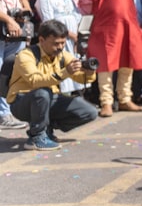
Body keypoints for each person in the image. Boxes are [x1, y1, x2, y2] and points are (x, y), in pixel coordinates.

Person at [6, 20, 97, 150]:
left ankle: (47, 127)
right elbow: (35, 81)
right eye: (55, 44)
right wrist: (65, 72)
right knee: (42, 92)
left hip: (48, 99)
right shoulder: (26, 55)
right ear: (42, 40)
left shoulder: (63, 55)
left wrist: (88, 72)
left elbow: (80, 77)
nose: (60, 47)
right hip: (22, 102)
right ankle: (36, 137)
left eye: (63, 43)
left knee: (89, 112)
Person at [35, 0, 85, 95]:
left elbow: (77, 16)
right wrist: (68, 34)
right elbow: (49, 21)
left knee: (75, 65)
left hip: (73, 41)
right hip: (58, 40)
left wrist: (79, 34)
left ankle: (76, 96)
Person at [0, 0, 30, 130]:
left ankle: (12, 110)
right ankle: (3, 114)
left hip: (15, 25)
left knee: (13, 69)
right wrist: (9, 20)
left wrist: (25, 13)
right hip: (5, 22)